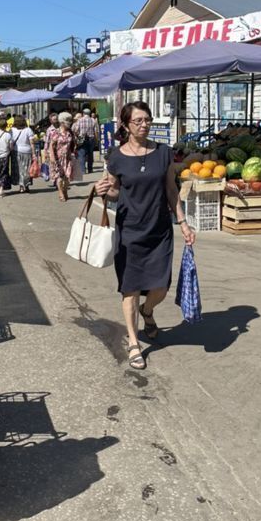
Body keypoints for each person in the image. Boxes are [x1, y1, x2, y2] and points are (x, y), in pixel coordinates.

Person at [92, 100, 195, 371]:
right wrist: (103, 189)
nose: (144, 124)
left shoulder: (163, 153)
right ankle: (135, 342)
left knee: (160, 286)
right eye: (138, 120)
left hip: (159, 229)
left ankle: (148, 311)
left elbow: (171, 191)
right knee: (130, 288)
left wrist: (183, 222)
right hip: (129, 231)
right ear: (126, 125)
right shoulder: (115, 156)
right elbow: (114, 192)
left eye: (147, 119)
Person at [49, 111, 75, 201]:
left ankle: (65, 190)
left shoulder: (70, 132)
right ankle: (60, 192)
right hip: (58, 158)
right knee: (59, 176)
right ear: (62, 122)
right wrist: (52, 157)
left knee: (68, 176)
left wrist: (74, 151)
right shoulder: (56, 132)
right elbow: (51, 145)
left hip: (68, 157)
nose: (70, 122)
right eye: (68, 121)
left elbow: (73, 143)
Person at [11, 114, 35, 193]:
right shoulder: (28, 130)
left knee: (18, 170)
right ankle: (27, 185)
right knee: (27, 169)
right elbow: (32, 143)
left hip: (16, 151)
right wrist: (34, 153)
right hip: (27, 152)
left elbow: (10, 142)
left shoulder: (12, 130)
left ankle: (21, 186)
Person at [72, 107, 98, 174]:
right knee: (90, 154)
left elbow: (76, 130)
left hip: (81, 137)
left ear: (83, 113)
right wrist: (96, 140)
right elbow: (96, 131)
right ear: (89, 113)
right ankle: (90, 169)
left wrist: (78, 136)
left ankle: (83, 170)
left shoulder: (80, 120)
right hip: (91, 138)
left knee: (81, 154)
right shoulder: (93, 120)